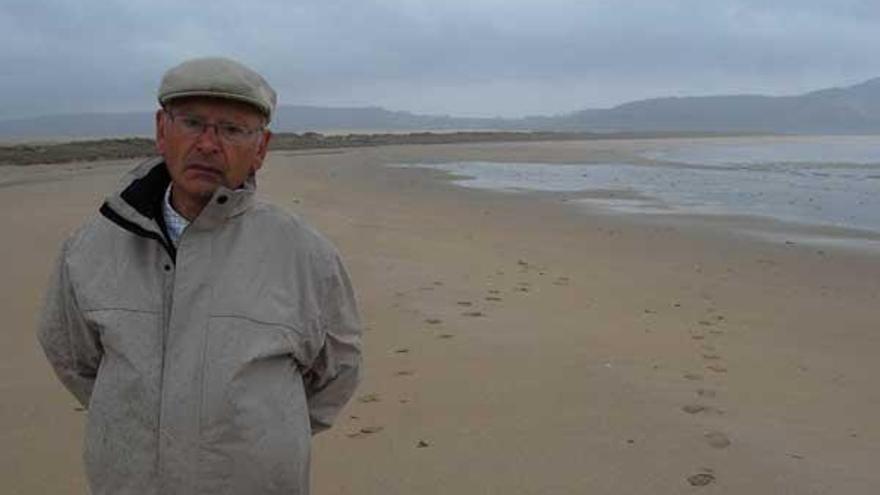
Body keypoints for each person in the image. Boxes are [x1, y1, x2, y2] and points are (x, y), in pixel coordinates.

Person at [37, 57, 362, 494]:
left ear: (261, 148)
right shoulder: (91, 247)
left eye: (232, 130)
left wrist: (261, 436)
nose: (208, 144)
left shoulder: (305, 255)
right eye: (192, 123)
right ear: (161, 130)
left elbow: (335, 374)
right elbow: (75, 360)